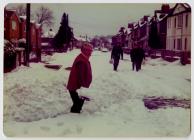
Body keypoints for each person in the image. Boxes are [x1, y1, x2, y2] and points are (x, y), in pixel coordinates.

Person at [67, 43, 93, 113]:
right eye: (90, 51)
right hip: (76, 87)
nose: (91, 53)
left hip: (79, 87)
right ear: (85, 51)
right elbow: (80, 76)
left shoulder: (83, 58)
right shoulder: (81, 60)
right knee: (77, 104)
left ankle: (75, 116)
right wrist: (83, 88)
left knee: (78, 104)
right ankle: (73, 118)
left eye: (91, 51)